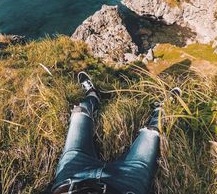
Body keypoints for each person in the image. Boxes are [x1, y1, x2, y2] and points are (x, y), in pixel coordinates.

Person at [51, 72, 180, 194]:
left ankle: (93, 95)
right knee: (152, 134)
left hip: (72, 177)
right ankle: (162, 108)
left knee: (79, 112)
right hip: (125, 185)